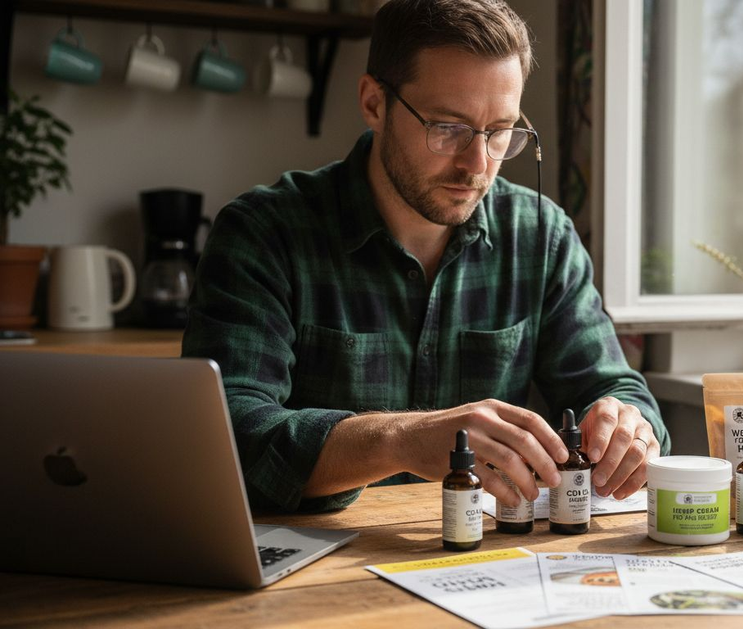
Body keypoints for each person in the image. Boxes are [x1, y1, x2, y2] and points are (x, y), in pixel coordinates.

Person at [182, 0, 669, 513]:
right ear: (374, 103)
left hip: (490, 552)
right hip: (324, 553)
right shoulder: (264, 233)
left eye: (500, 131)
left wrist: (627, 425)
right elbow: (223, 436)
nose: (477, 163)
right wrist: (400, 440)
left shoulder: (541, 235)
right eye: (448, 127)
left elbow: (614, 386)